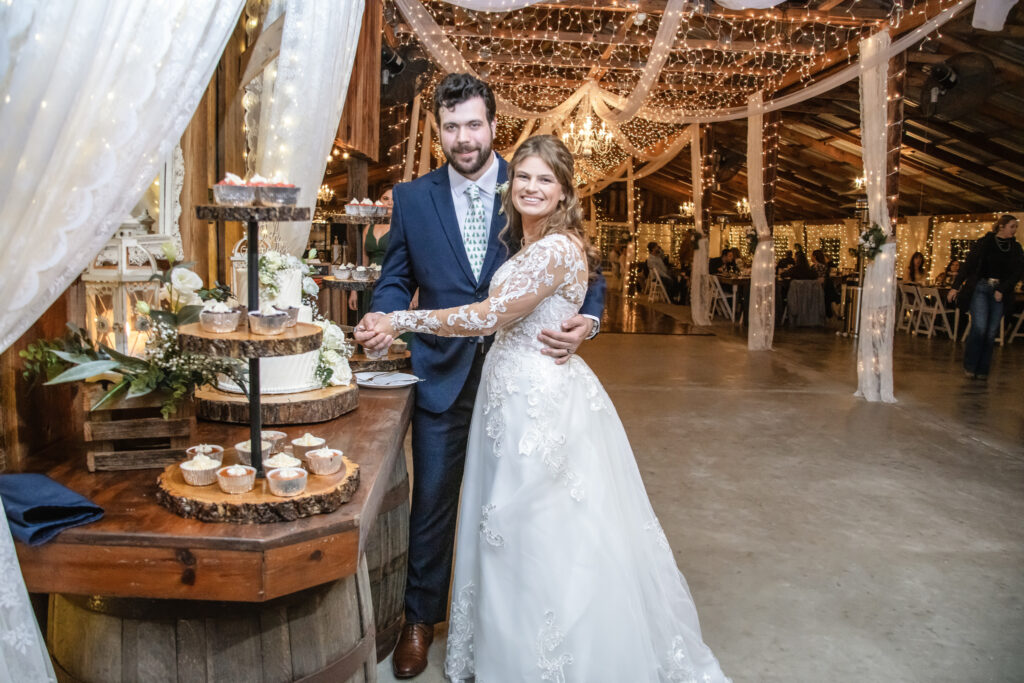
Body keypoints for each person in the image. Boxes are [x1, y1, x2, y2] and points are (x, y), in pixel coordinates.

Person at [365, 135, 729, 682]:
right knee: (479, 516)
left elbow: (492, 314)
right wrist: (387, 310)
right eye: (527, 178)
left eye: (546, 180)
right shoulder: (516, 235)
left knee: (537, 524)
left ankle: (549, 657)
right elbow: (408, 274)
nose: (532, 188)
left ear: (563, 194)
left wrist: (404, 321)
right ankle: (450, 627)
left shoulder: (558, 248)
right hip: (498, 394)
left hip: (537, 403)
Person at [353, 74, 606, 679]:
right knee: (434, 504)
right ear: (438, 131)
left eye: (474, 124)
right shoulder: (412, 198)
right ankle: (421, 620)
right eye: (451, 127)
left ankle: (513, 627)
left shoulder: (526, 184)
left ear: (494, 125)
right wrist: (383, 311)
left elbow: (582, 267)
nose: (463, 138)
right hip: (442, 374)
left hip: (522, 382)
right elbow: (397, 274)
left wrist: (589, 321)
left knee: (518, 509)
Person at [947, 214, 1024, 379]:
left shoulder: (1015, 248)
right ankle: (970, 365)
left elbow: (1017, 272)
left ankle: (982, 369)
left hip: (1000, 291)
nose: (1014, 230)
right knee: (980, 327)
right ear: (1001, 227)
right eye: (1012, 226)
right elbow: (969, 265)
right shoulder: (985, 243)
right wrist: (955, 286)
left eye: (1016, 227)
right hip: (981, 288)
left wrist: (1003, 289)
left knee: (991, 331)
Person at [349, 186, 395, 312]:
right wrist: (354, 289)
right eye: (385, 198)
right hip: (370, 284)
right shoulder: (369, 226)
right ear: (379, 201)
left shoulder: (402, 226)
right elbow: (362, 261)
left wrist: (416, 292)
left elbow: (414, 261)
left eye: (394, 199)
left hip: (393, 282)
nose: (390, 202)